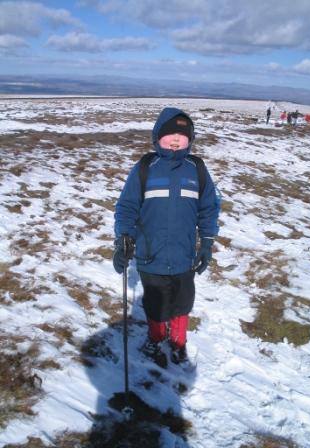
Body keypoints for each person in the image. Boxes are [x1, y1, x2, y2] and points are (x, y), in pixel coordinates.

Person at [113, 107, 219, 367]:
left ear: (190, 140)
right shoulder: (146, 167)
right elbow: (127, 206)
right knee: (155, 300)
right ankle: (156, 337)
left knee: (183, 301)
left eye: (182, 136)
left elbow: (208, 208)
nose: (175, 139)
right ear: (157, 137)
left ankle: (179, 342)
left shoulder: (197, 169)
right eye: (169, 134)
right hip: (151, 253)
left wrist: (206, 243)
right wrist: (123, 241)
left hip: (184, 254)